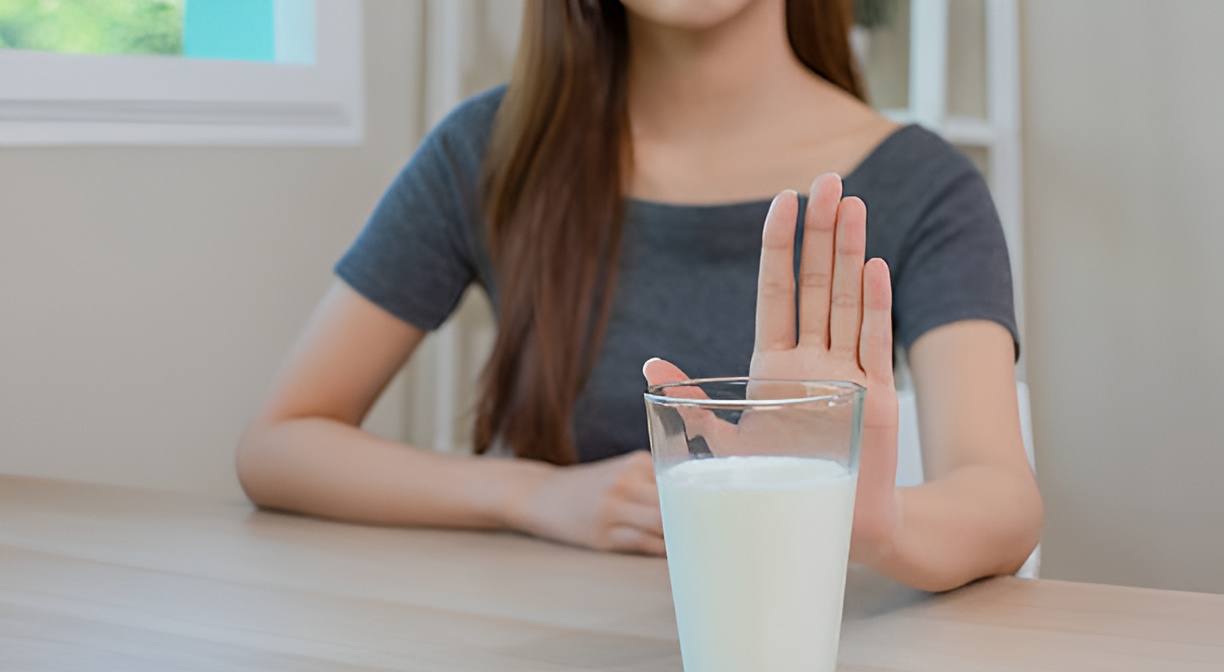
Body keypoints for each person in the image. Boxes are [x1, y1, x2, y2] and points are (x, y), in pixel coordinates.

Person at [236, 0, 1043, 592]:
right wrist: (536, 494)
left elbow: (1001, 499)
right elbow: (280, 445)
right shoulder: (489, 152)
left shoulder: (925, 186)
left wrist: (876, 527)